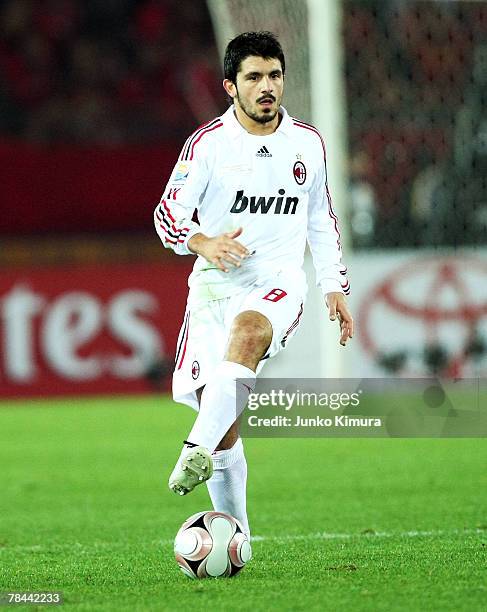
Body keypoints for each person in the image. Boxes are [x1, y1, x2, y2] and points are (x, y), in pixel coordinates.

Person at [154, 31, 353, 538]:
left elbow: (320, 218)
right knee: (223, 424)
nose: (267, 86)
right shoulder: (208, 145)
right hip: (214, 286)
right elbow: (166, 216)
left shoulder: (307, 143)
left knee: (247, 334)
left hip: (278, 281)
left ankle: (192, 448)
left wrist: (333, 283)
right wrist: (203, 243)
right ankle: (236, 533)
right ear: (230, 86)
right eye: (254, 77)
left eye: (275, 75)